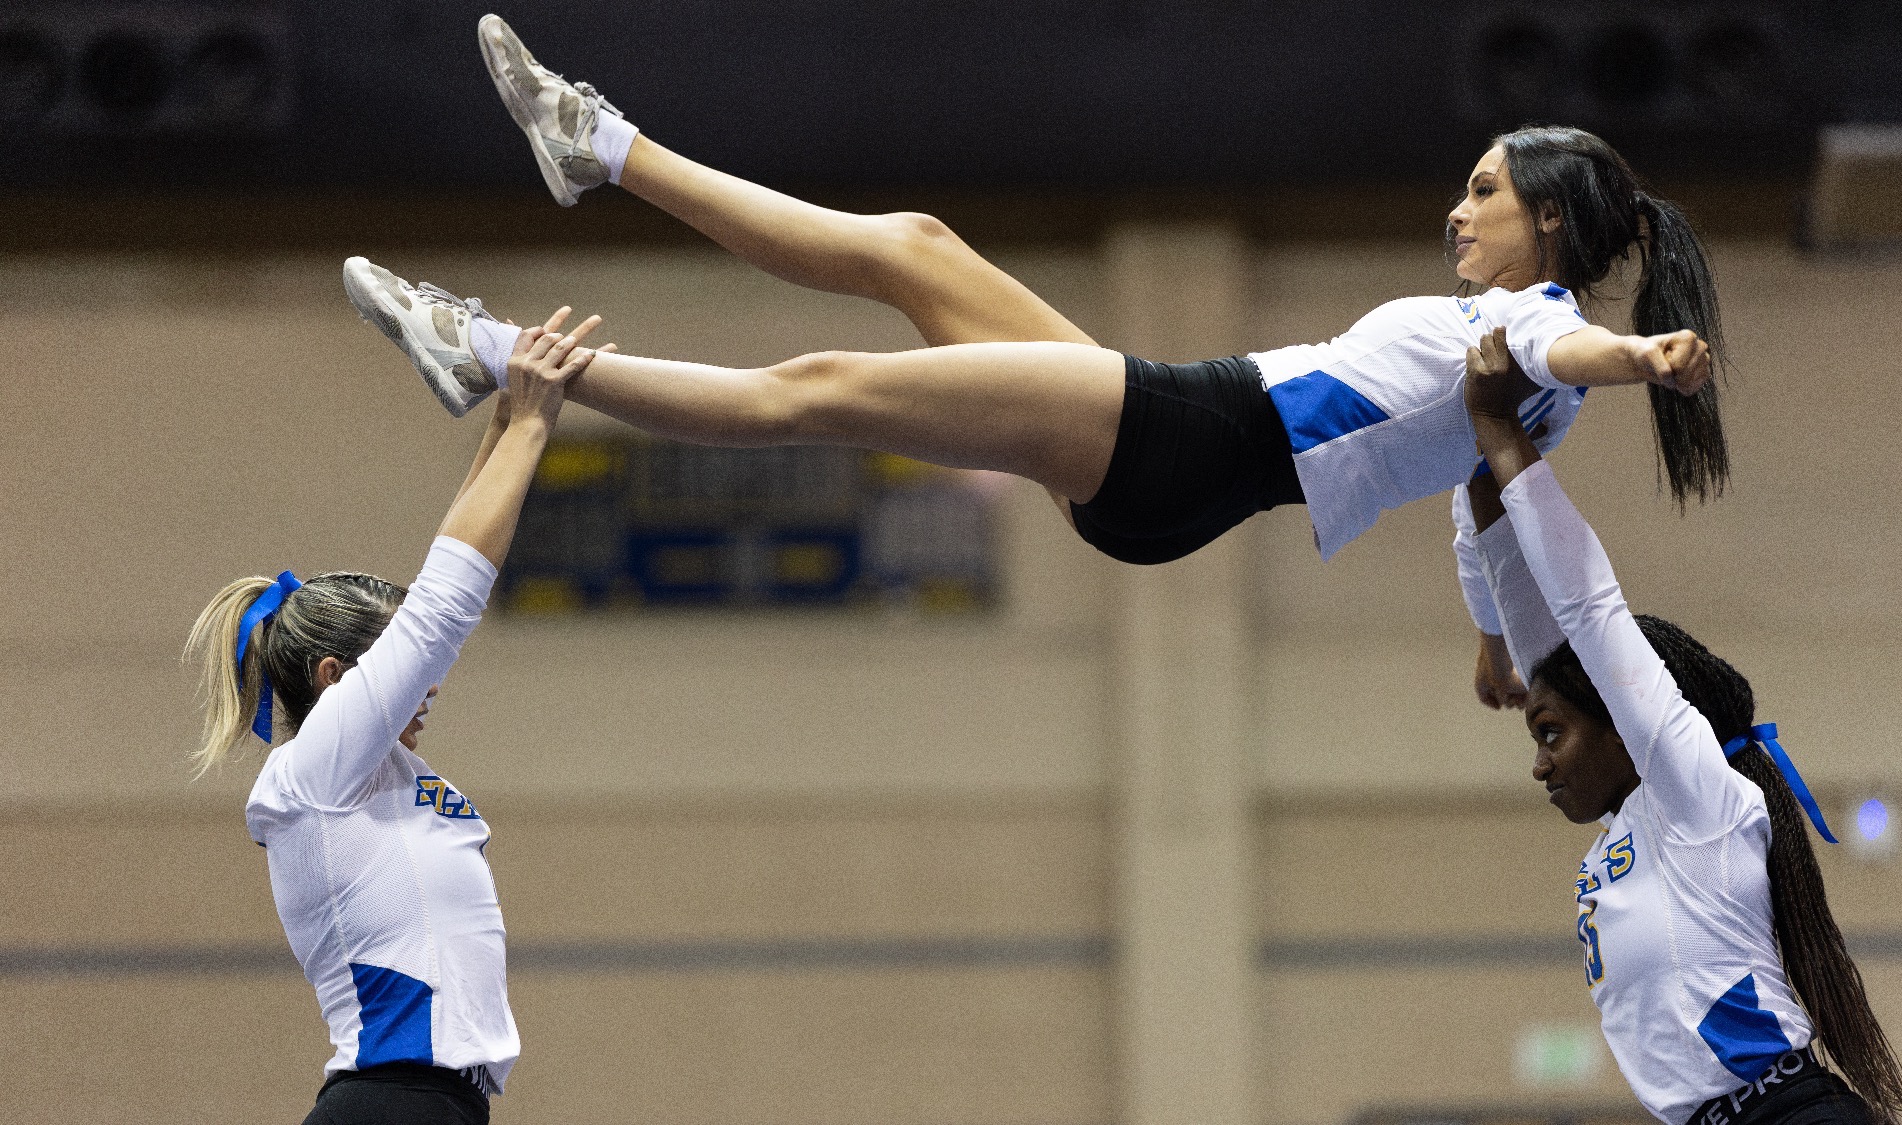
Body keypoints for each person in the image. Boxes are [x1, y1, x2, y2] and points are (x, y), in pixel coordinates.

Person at [351, 16, 1720, 664]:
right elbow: (1490, 503)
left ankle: (492, 352)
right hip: (1187, 451)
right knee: (915, 249)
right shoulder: (1526, 392)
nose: (1456, 208)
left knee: (817, 390)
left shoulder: (1533, 336)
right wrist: (1498, 647)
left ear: (1545, 221)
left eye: (1483, 190)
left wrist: (1641, 357)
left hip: (1196, 434)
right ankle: (598, 147)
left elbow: (1563, 355)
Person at [1457, 328, 1902, 1125]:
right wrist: (1480, 431)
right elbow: (1497, 534)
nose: (1538, 764)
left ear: (1623, 720)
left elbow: (1588, 608)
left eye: (1551, 735)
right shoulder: (1637, 824)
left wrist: (1502, 430)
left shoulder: (1695, 801)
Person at [183, 310, 606, 1125]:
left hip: (435, 1105)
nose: (430, 685)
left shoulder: (379, 773)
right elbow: (442, 610)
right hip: (390, 1101)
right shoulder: (312, 774)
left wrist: (506, 414)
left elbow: (431, 590)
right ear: (335, 678)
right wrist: (535, 429)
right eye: (400, 669)